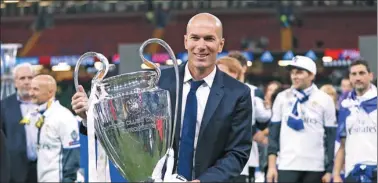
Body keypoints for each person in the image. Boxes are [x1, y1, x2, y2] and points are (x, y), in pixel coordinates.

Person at [72, 12, 253, 182]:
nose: (201, 45)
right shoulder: (158, 82)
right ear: (185, 41)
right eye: (195, 38)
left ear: (221, 44)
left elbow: (238, 153)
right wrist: (89, 118)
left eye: (209, 39)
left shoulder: (238, 93)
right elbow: (128, 130)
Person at [266, 55, 337, 183]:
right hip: (287, 164)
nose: (294, 76)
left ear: (312, 75)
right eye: (292, 73)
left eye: (299, 72)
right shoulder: (281, 98)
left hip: (315, 166)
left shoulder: (325, 100)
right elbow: (273, 135)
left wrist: (329, 170)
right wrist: (271, 167)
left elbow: (330, 138)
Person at [226, 51, 272, 182]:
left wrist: (263, 130)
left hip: (245, 145)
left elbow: (264, 118)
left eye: (234, 67)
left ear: (243, 68)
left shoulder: (253, 91)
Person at [29, 75, 80, 182]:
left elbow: (72, 156)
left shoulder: (64, 117)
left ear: (50, 92)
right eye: (30, 89)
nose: (31, 93)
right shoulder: (38, 115)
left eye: (35, 89)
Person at [333, 60, 377, 183]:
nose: (358, 77)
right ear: (350, 78)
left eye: (362, 73)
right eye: (354, 74)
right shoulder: (345, 105)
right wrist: (336, 174)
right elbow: (342, 142)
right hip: (352, 171)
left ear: (370, 76)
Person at [0, 63, 38, 183]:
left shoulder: (45, 104)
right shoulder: (4, 106)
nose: (27, 82)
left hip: (44, 168)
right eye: (22, 78)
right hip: (15, 172)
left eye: (30, 77)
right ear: (15, 82)